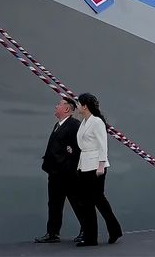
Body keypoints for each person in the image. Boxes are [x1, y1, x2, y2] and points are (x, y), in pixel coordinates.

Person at [75, 93, 123, 247]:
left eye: (78, 104)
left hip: (96, 166)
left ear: (85, 106)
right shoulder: (84, 122)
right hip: (84, 165)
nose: (77, 106)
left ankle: (113, 230)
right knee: (87, 202)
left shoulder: (96, 122)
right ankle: (92, 237)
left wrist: (101, 165)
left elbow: (103, 145)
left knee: (98, 199)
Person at [35, 97, 85, 243]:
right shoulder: (58, 125)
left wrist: (68, 165)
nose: (56, 106)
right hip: (54, 172)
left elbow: (78, 149)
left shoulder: (74, 125)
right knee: (54, 203)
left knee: (77, 202)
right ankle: (53, 233)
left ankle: (86, 230)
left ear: (67, 108)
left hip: (67, 173)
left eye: (59, 104)